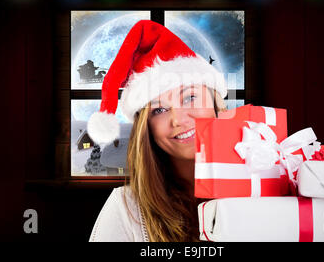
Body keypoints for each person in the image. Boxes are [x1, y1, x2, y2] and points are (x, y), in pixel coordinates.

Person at [87, 20, 228, 242]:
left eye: (190, 97)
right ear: (147, 128)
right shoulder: (126, 210)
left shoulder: (266, 185)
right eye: (159, 109)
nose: (178, 119)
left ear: (216, 102)